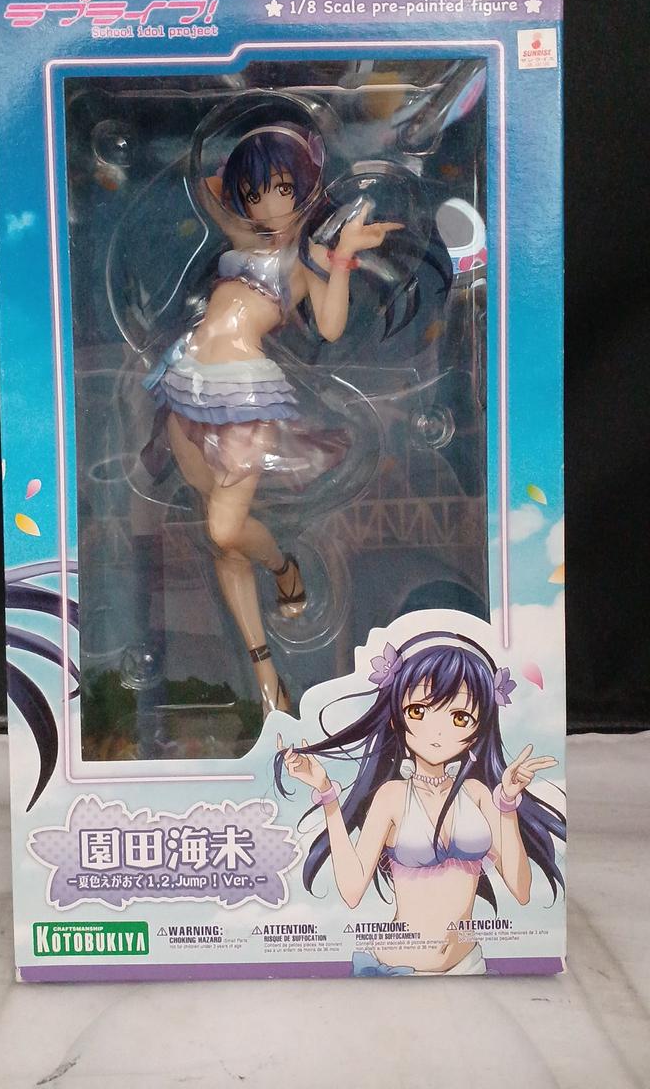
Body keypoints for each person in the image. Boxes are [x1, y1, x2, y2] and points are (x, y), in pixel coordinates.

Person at [143, 123, 403, 715]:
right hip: (187, 384)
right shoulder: (243, 236)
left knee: (225, 530)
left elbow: (330, 327)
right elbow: (208, 189)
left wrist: (341, 252)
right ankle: (267, 681)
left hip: (244, 394)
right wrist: (248, 154)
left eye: (283, 190)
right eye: (255, 193)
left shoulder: (306, 261)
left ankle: (285, 568)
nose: (268, 206)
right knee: (221, 543)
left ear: (305, 191)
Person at [276, 631, 565, 974]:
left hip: (467, 966)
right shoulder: (392, 797)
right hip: (396, 968)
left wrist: (507, 803)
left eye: (459, 717)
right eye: (419, 711)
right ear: (396, 718)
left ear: (478, 727)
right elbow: (352, 891)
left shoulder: (478, 795)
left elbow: (520, 889)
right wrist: (327, 795)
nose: (437, 732)